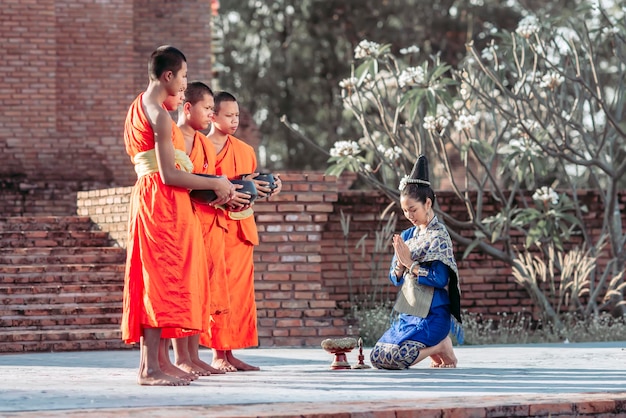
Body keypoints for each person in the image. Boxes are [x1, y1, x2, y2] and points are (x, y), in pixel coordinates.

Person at [121, 45, 236, 386]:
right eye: (184, 76)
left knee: (164, 278)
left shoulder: (142, 105)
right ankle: (148, 368)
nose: (186, 82)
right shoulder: (156, 113)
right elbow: (169, 174)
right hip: (160, 198)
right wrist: (215, 181)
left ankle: (160, 361)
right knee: (158, 279)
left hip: (160, 198)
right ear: (168, 75)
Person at [174, 81, 247, 375]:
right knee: (185, 291)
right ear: (187, 107)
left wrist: (229, 193)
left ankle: (194, 357)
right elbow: (179, 178)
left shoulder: (203, 142)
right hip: (182, 218)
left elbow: (213, 180)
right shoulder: (172, 136)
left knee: (203, 293)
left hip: (209, 220)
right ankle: (181, 357)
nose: (209, 114)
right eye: (206, 108)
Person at [206, 91, 282, 372]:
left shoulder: (245, 150)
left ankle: (231, 353)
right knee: (219, 293)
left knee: (240, 295)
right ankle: (217, 354)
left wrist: (270, 185)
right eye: (228, 115)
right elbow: (203, 187)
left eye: (237, 115)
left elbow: (250, 186)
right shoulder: (203, 147)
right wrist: (233, 186)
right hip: (215, 226)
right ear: (212, 116)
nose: (234, 120)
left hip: (241, 229)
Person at [369, 155, 463, 370]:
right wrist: (401, 266)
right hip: (409, 314)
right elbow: (394, 279)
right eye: (404, 210)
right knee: (377, 357)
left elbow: (440, 279)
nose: (408, 215)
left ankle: (441, 345)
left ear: (428, 203)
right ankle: (437, 348)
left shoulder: (439, 236)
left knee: (397, 359)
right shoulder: (408, 235)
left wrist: (411, 264)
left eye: (413, 209)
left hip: (434, 315)